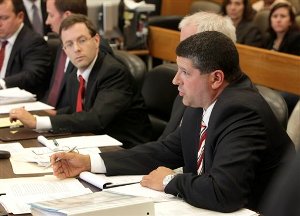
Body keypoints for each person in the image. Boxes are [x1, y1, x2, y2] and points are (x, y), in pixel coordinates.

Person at [50, 31, 295, 213]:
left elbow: (224, 192)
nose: (175, 80)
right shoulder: (202, 100)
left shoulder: (242, 111)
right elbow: (167, 150)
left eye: (185, 73)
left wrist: (169, 181)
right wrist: (89, 162)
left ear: (216, 78)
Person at [9, 14, 152, 148]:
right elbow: (77, 108)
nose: (76, 49)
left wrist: (37, 122)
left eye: (82, 40)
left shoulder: (113, 72)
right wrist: (48, 113)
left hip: (125, 148)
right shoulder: (75, 71)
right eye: (69, 44)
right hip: (93, 141)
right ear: (64, 50)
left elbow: (96, 119)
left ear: (96, 41)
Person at [160, 11, 237, 139]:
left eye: (188, 46)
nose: (180, 51)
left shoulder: (233, 112)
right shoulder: (186, 91)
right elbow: (166, 145)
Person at [44, 0, 113, 109]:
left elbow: (89, 109)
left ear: (67, 16)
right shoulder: (63, 43)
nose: (47, 21)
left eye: (51, 15)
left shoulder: (98, 50)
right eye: (69, 44)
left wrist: (49, 119)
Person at [0, 0, 51, 99]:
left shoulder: (34, 42)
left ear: (20, 17)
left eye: (4, 18)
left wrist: (1, 83)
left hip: (17, 103)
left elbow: (31, 75)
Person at [263, 1, 300, 115]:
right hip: (269, 82)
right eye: (275, 16)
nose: (278, 20)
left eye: (283, 16)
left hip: (290, 88)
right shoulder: (269, 38)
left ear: (290, 21)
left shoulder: (297, 39)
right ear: (270, 20)